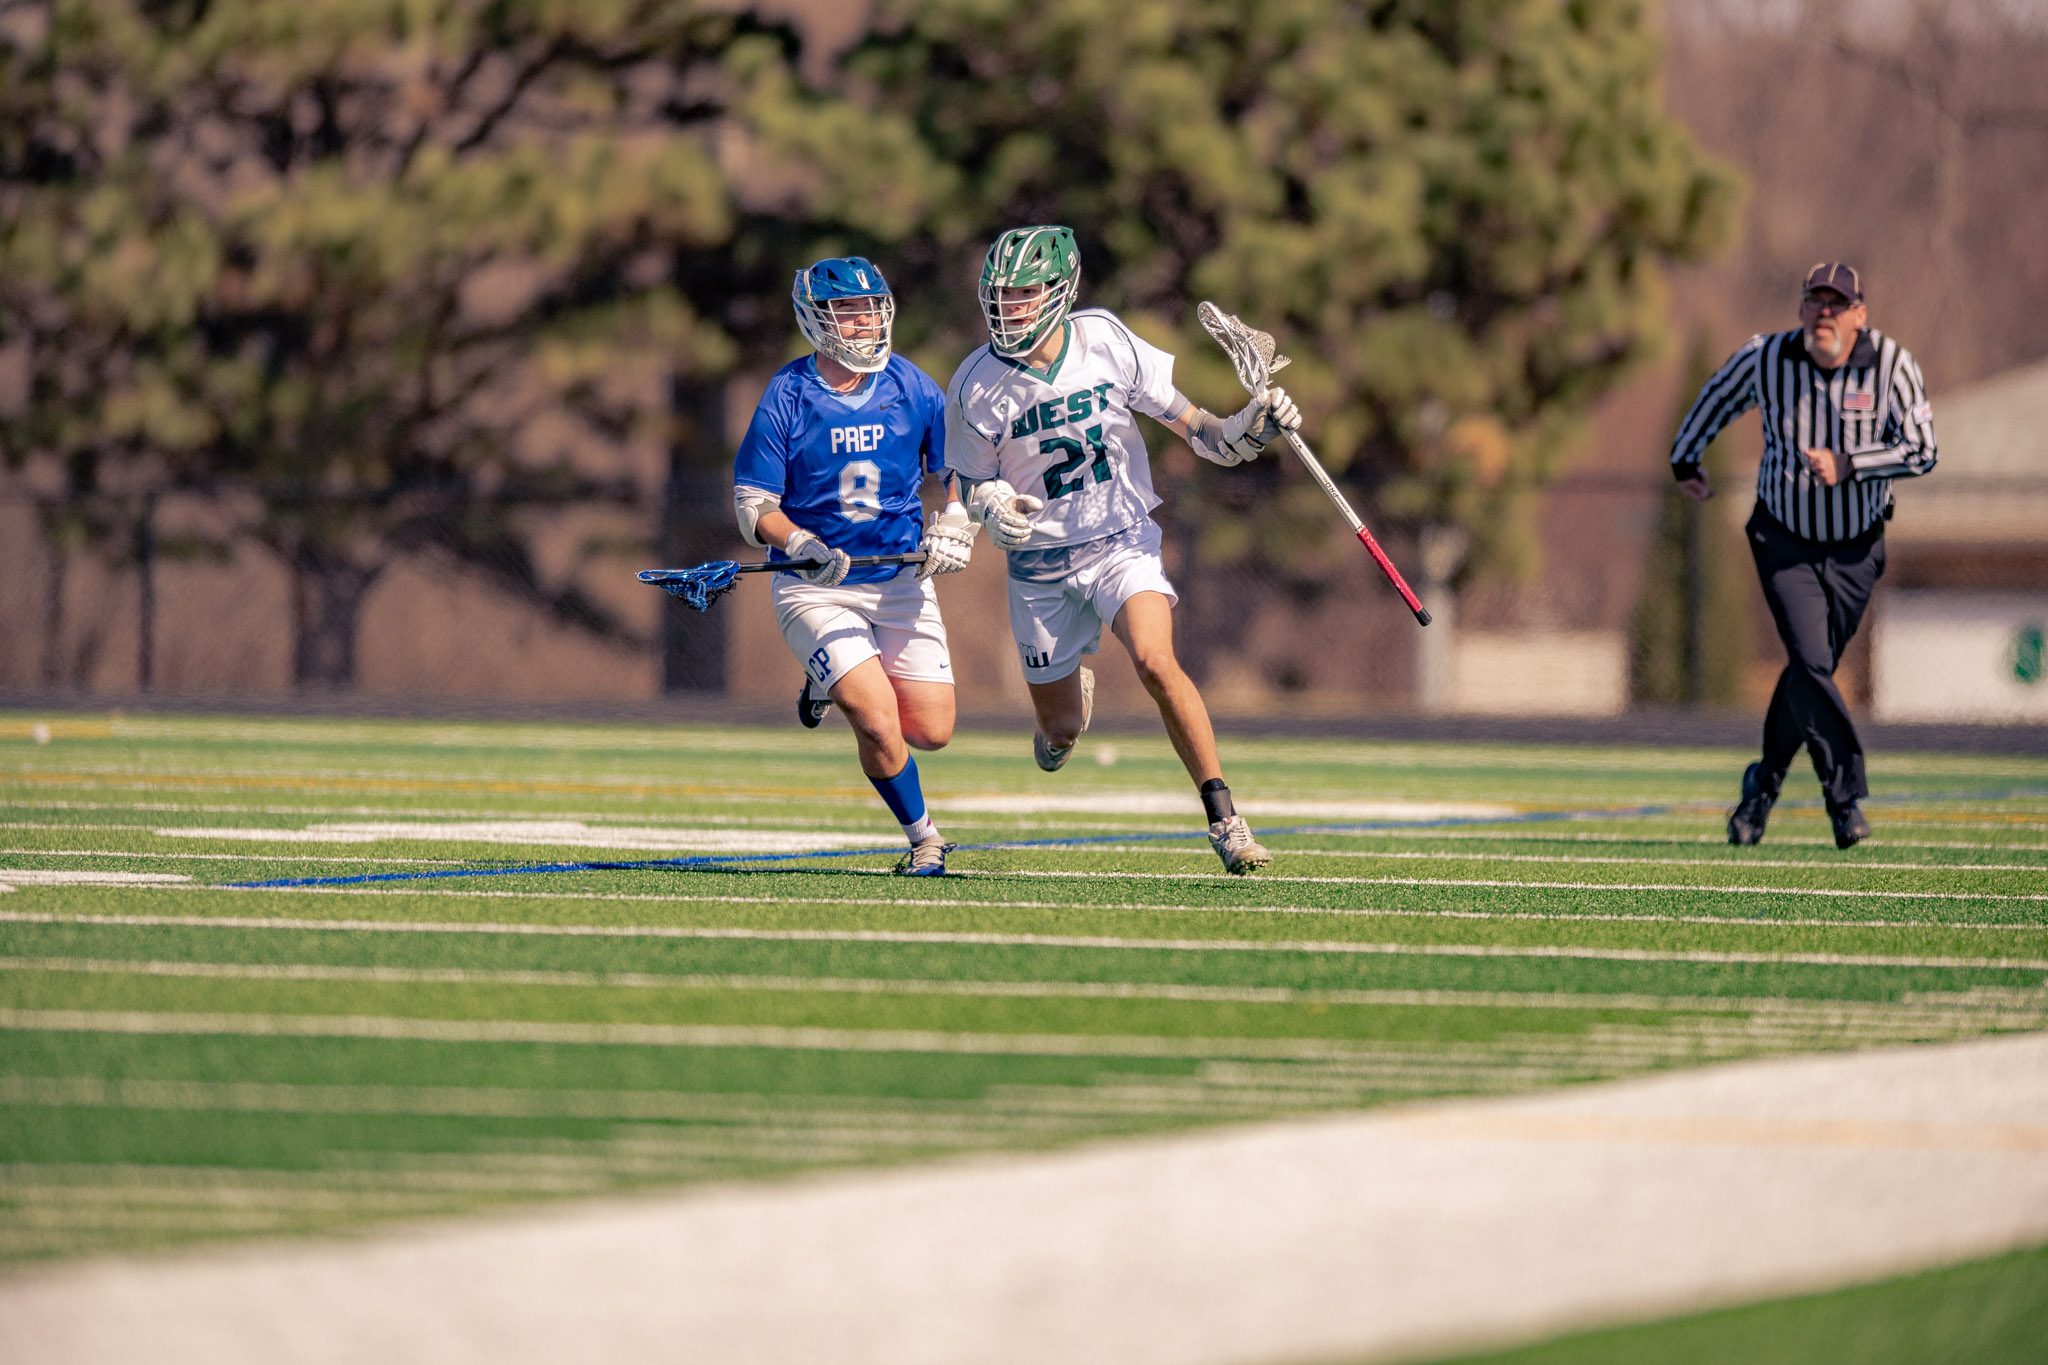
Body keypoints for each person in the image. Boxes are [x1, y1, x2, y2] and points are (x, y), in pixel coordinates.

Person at [943, 225, 1299, 875]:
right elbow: (965, 480)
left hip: (1120, 541)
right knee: (1059, 734)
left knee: (1158, 662)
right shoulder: (975, 384)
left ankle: (1226, 820)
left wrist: (1250, 427)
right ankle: (1069, 700)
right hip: (1041, 566)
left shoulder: (1104, 338)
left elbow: (1201, 430)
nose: (1011, 308)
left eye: (1026, 294)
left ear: (1062, 289)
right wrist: (988, 504)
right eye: (1003, 295)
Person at [1669, 262, 1936, 849]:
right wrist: (1686, 457)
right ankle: (1845, 800)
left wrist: (1852, 463)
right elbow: (1718, 394)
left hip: (1856, 548)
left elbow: (1923, 451)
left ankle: (1761, 788)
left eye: (1837, 304)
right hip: (1783, 539)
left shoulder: (1893, 365)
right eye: (1815, 301)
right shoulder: (1767, 357)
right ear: (1800, 309)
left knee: (1805, 677)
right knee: (1813, 664)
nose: (1824, 313)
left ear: (1859, 316)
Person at [731, 256, 978, 876]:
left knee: (931, 729)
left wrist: (954, 521)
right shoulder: (789, 392)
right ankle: (925, 837)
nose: (864, 322)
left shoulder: (913, 386)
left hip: (898, 578)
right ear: (816, 319)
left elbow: (961, 471)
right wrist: (799, 545)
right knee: (874, 716)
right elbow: (753, 503)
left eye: (872, 308)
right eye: (848, 310)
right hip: (817, 587)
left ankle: (824, 684)